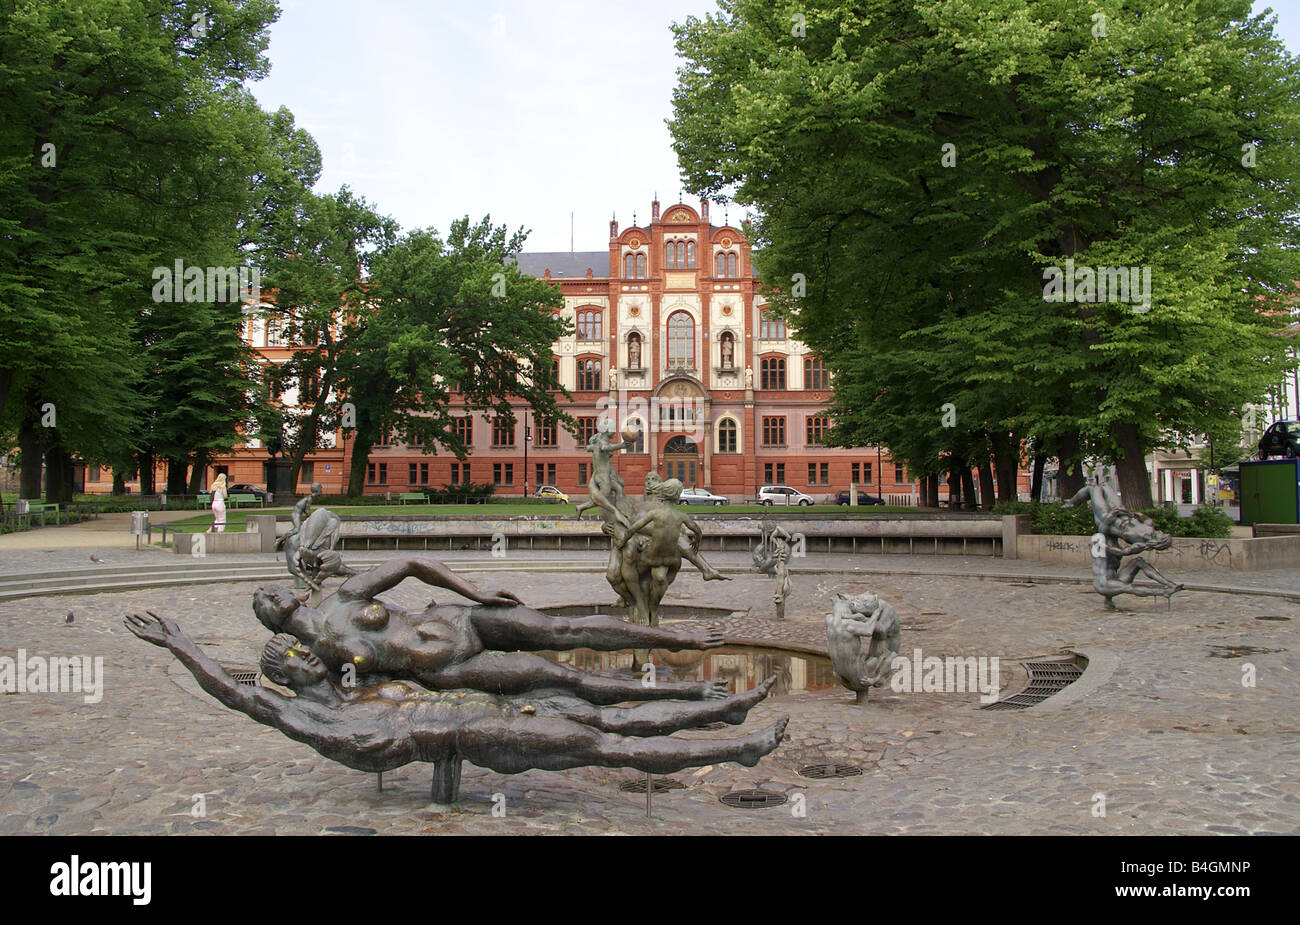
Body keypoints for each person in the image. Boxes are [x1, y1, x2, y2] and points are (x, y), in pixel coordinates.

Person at [124, 613, 788, 778]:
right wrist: (180, 642)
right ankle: (737, 748)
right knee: (603, 745)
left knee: (602, 711)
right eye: (293, 656)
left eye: (300, 647)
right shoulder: (303, 710)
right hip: (471, 737)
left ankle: (722, 707)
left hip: (489, 712)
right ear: (286, 677)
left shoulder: (351, 683)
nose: (305, 653)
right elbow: (233, 694)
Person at [251, 555, 732, 704]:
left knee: (565, 630)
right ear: (272, 620)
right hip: (445, 668)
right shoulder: (307, 657)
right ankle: (686, 695)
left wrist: (476, 593)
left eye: (269, 589)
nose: (271, 594)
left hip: (454, 620)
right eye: (264, 603)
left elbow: (413, 563)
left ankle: (678, 638)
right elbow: (336, 703)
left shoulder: (342, 600)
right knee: (560, 680)